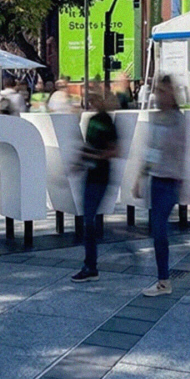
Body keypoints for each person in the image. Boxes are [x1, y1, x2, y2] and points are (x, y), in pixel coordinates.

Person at [133, 76, 185, 297]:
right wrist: (141, 176)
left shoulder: (179, 120)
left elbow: (185, 152)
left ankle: (164, 280)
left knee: (159, 229)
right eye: (158, 91)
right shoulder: (156, 119)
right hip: (157, 180)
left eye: (164, 91)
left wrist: (185, 180)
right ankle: (163, 279)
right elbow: (151, 151)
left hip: (171, 180)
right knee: (157, 230)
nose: (160, 96)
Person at [71, 91, 119, 283]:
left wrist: (95, 157)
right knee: (87, 220)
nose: (92, 103)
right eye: (89, 100)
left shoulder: (107, 121)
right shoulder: (92, 121)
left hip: (101, 175)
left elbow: (114, 150)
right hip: (90, 175)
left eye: (95, 99)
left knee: (89, 220)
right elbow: (88, 145)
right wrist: (79, 162)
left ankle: (90, 266)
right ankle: (90, 265)